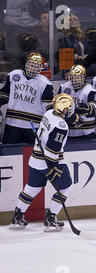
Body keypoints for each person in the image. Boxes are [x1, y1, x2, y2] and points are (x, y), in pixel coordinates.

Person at [10, 93, 82, 230]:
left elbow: (58, 124)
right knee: (65, 186)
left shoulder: (49, 113)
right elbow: (52, 150)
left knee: (32, 189)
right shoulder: (61, 126)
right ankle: (51, 217)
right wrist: (53, 167)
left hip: (35, 159)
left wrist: (76, 119)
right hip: (48, 162)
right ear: (62, 109)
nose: (71, 109)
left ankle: (17, 217)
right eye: (68, 107)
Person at [0, 52, 54, 144]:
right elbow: (4, 95)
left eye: (36, 66)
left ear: (41, 67)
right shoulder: (14, 75)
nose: (33, 69)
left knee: (31, 155)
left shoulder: (45, 83)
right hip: (12, 124)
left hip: (33, 126)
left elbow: (49, 107)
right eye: (31, 65)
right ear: (26, 64)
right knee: (8, 154)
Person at [58, 65, 96, 139]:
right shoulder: (63, 88)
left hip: (87, 132)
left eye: (78, 77)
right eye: (73, 77)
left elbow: (95, 110)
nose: (75, 80)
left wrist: (75, 108)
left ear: (83, 77)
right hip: (68, 132)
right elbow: (56, 108)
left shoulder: (90, 90)